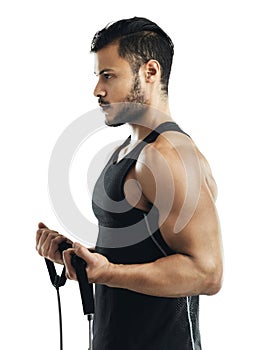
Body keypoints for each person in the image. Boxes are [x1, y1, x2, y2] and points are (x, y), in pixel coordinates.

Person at [36, 17, 223, 350]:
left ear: (150, 72)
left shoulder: (170, 155)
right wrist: (83, 259)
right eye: (98, 76)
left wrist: (107, 274)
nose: (98, 90)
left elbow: (206, 272)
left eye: (108, 76)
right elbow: (137, 256)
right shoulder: (129, 151)